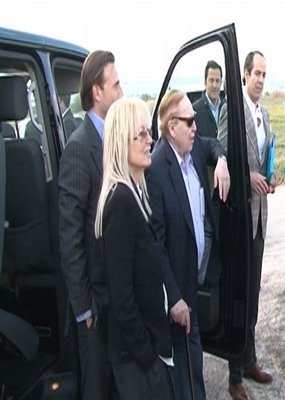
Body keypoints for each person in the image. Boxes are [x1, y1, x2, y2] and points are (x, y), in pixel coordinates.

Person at [146, 89, 230, 400]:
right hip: (178, 292)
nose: (196, 127)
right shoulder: (156, 168)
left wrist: (221, 160)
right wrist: (174, 298)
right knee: (184, 366)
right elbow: (156, 245)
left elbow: (212, 143)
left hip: (195, 282)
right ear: (172, 127)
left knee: (193, 362)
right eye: (190, 121)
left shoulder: (192, 149)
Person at [94, 97, 174, 400]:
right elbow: (122, 296)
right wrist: (148, 357)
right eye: (141, 134)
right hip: (135, 360)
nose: (150, 140)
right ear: (121, 142)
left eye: (148, 132)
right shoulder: (121, 202)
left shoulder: (134, 193)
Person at [58, 50, 123, 400]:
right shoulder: (79, 148)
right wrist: (84, 309)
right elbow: (70, 238)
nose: (121, 93)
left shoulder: (114, 141)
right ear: (97, 92)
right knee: (97, 389)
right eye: (116, 85)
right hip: (94, 309)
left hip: (118, 301)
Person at [227, 50, 275, 400]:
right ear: (244, 75)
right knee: (239, 297)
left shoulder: (265, 114)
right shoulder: (234, 109)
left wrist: (269, 177)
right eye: (256, 73)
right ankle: (233, 376)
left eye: (264, 74)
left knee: (253, 296)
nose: (260, 79)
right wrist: (247, 177)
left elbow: (264, 157)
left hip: (260, 216)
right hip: (239, 217)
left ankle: (249, 360)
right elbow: (222, 157)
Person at [193, 60, 225, 139]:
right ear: (205, 83)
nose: (214, 85)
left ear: (221, 83)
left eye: (217, 81)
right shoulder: (195, 110)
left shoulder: (227, 108)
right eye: (211, 80)